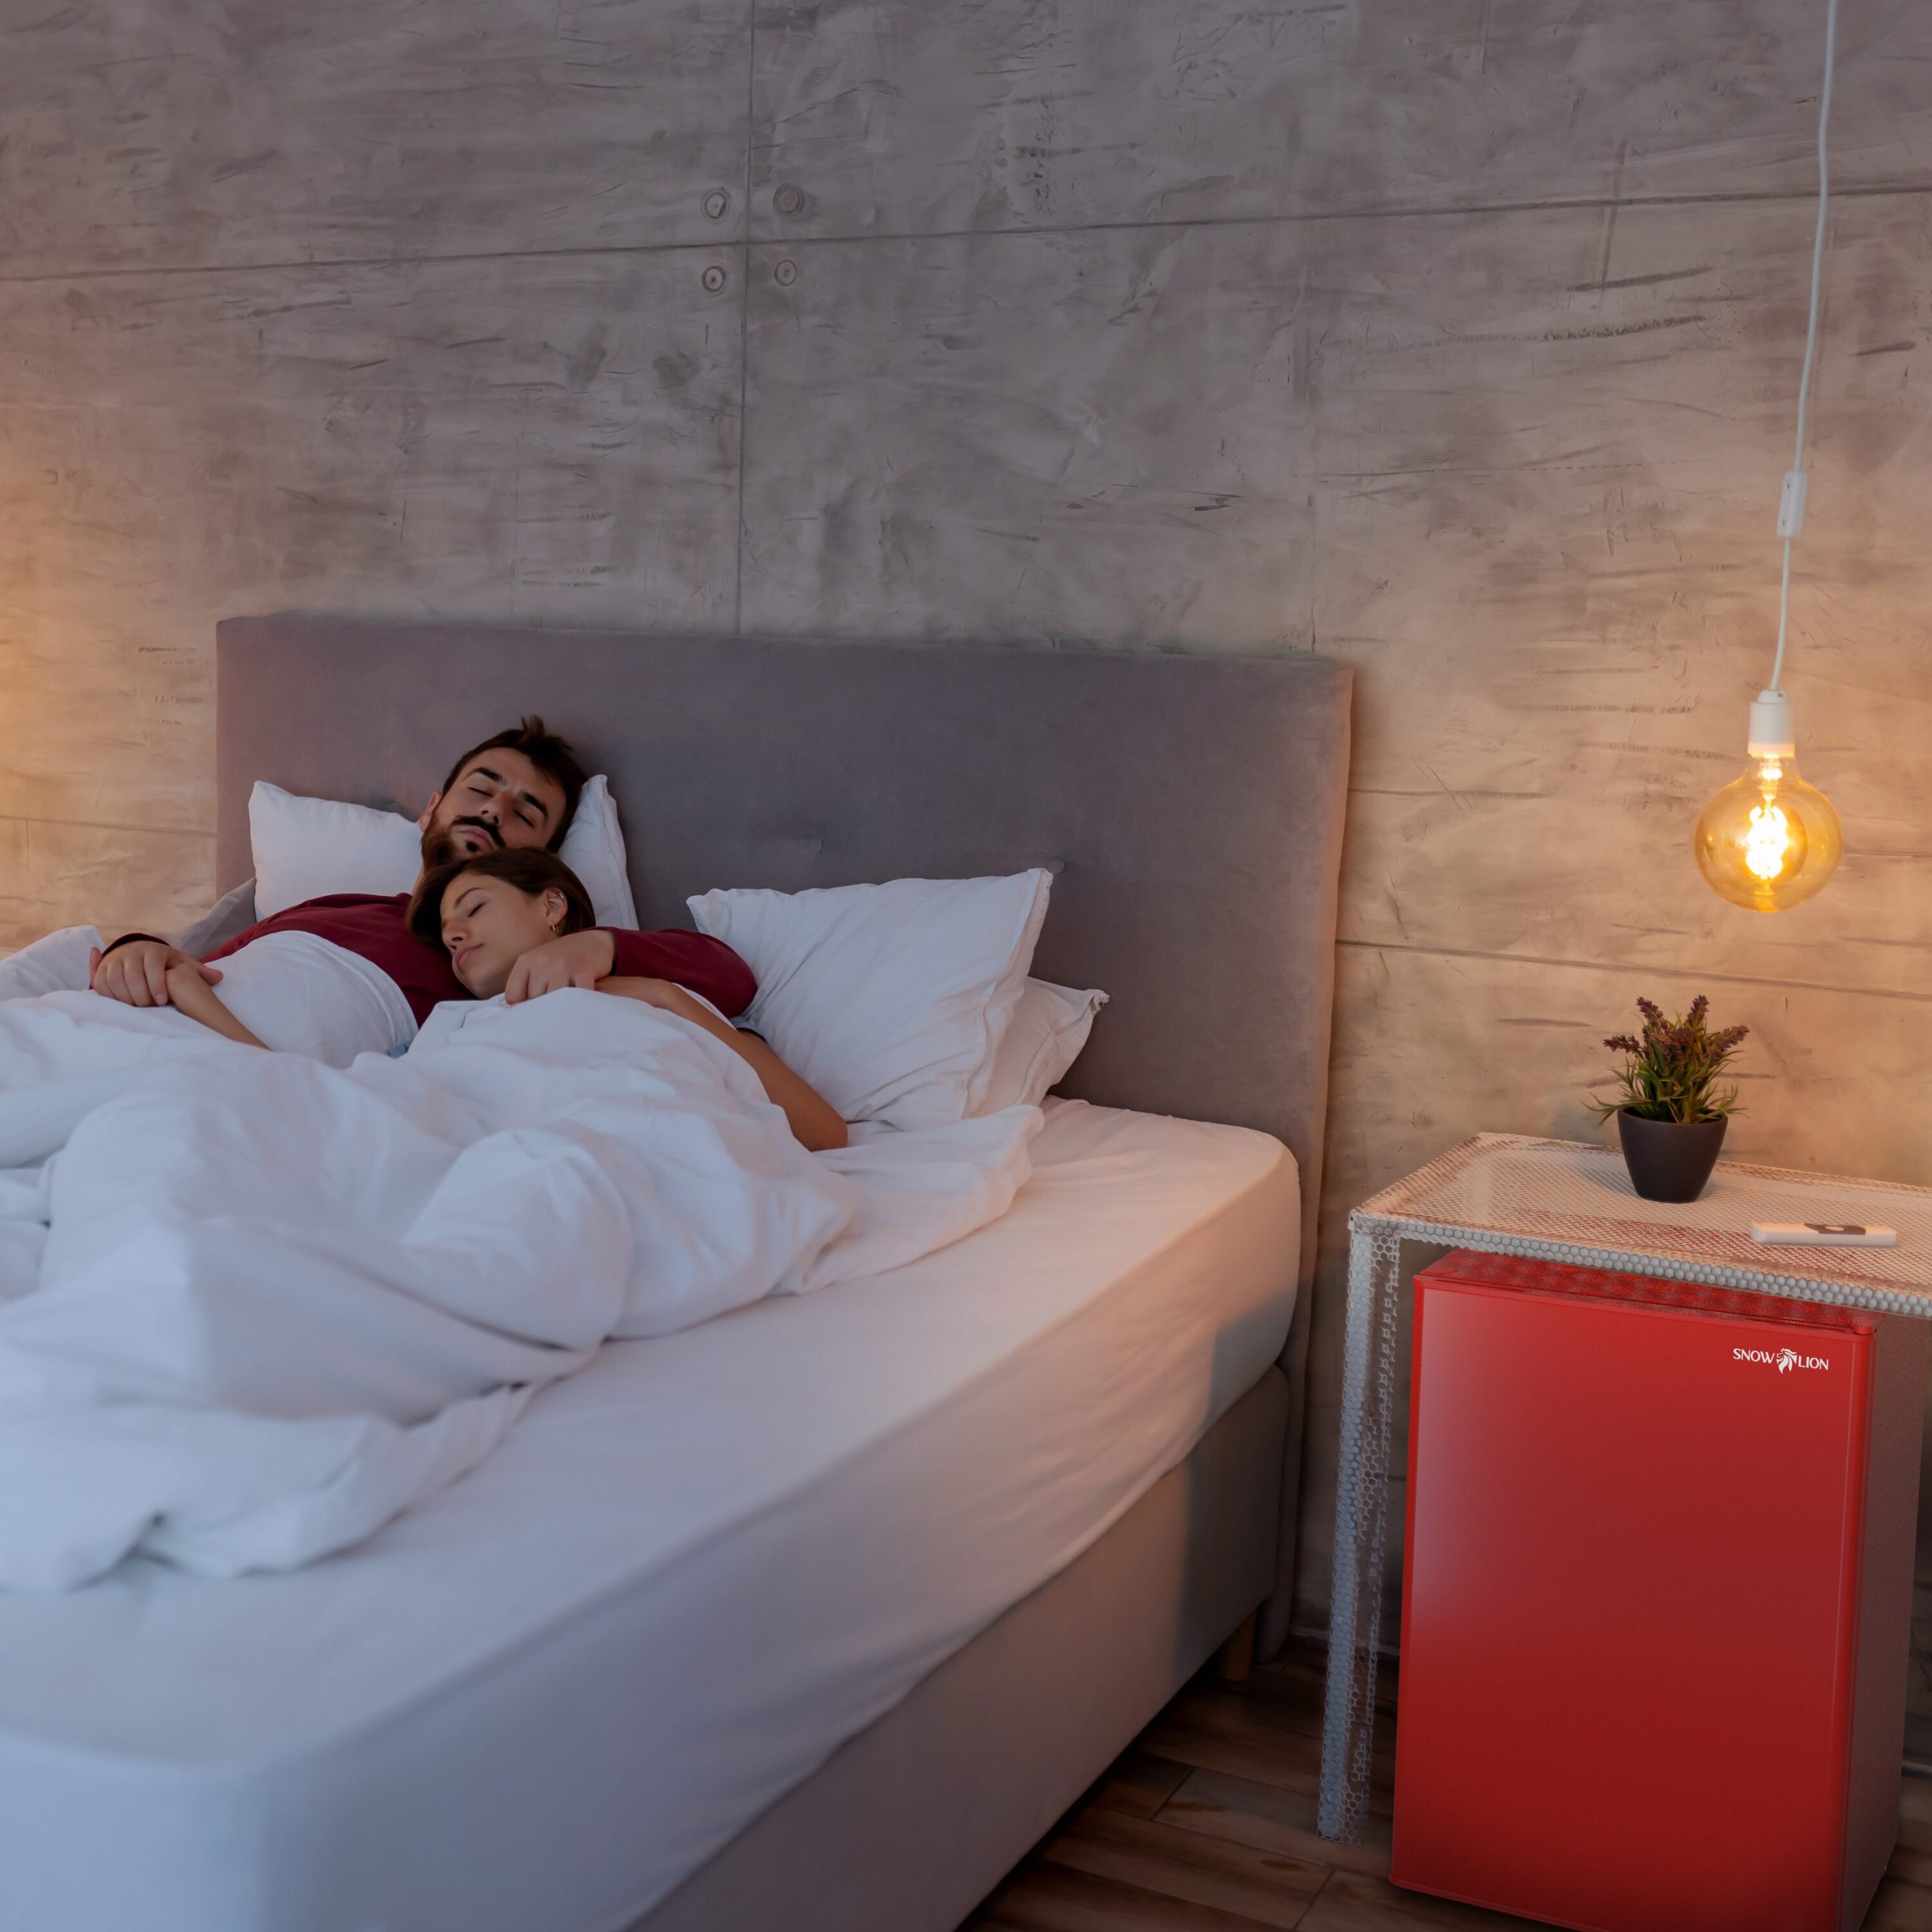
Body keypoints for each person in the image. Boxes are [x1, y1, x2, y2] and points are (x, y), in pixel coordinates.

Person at [85, 719, 754, 1033]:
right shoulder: (333, 905)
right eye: (481, 789)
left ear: (544, 862)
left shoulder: (506, 964)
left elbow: (730, 980)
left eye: (525, 814)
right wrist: (136, 950)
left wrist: (599, 945)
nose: (494, 810)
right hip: (151, 1025)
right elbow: (195, 966)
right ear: (433, 810)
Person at [409, 848, 848, 1153]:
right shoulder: (454, 1023)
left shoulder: (661, 992)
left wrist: (660, 994)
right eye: (446, 934)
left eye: (474, 908)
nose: (454, 935)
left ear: (552, 905)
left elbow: (823, 1131)